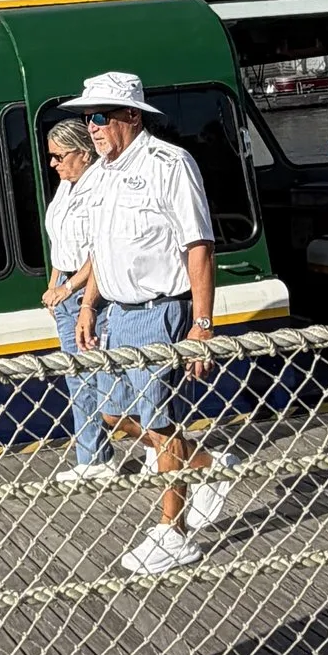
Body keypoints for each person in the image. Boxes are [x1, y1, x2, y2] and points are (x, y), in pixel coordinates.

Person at [63, 70, 242, 575]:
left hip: (162, 309)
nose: (91, 127)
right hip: (116, 314)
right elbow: (102, 251)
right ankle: (208, 467)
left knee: (160, 425)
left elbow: (198, 247)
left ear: (131, 117)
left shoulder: (171, 164)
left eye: (99, 116)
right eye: (86, 117)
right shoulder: (98, 175)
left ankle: (173, 532)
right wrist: (87, 307)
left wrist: (202, 325)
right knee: (113, 417)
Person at [41, 117, 115, 478]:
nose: (52, 163)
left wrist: (69, 289)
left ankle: (155, 448)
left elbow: (99, 251)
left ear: (83, 153)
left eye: (58, 156)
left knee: (104, 379)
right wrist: (53, 285)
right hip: (67, 292)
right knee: (77, 377)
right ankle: (94, 458)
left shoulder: (100, 186)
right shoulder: (66, 187)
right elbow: (61, 245)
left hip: (91, 293)